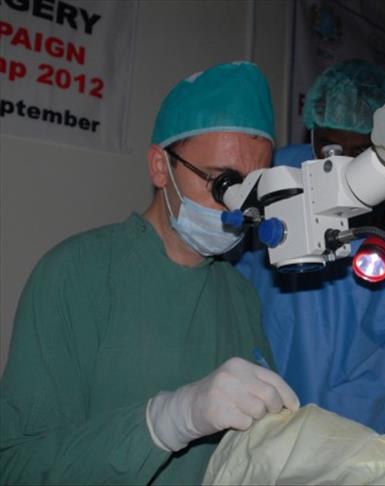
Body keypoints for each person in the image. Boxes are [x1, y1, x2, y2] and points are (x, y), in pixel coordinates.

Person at [0, 62, 299, 485]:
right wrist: (164, 422)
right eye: (223, 184)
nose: (239, 209)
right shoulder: (75, 275)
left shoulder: (240, 294)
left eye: (252, 190)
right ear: (160, 167)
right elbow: (16, 467)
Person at [233, 59, 385, 438]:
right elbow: (232, 288)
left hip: (359, 412)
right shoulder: (276, 179)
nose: (340, 163)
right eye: (328, 147)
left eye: (360, 152)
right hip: (269, 399)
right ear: (311, 132)